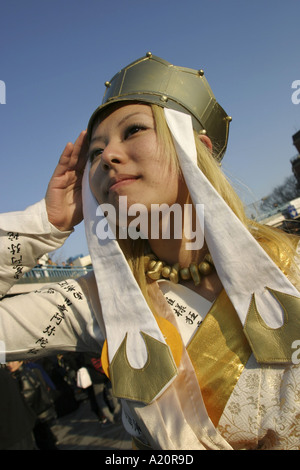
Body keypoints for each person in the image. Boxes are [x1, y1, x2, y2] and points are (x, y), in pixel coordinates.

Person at [0, 53, 299, 450]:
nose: (107, 156)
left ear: (196, 150)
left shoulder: (289, 261)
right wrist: (47, 223)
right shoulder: (103, 300)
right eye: (95, 152)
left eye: (134, 130)